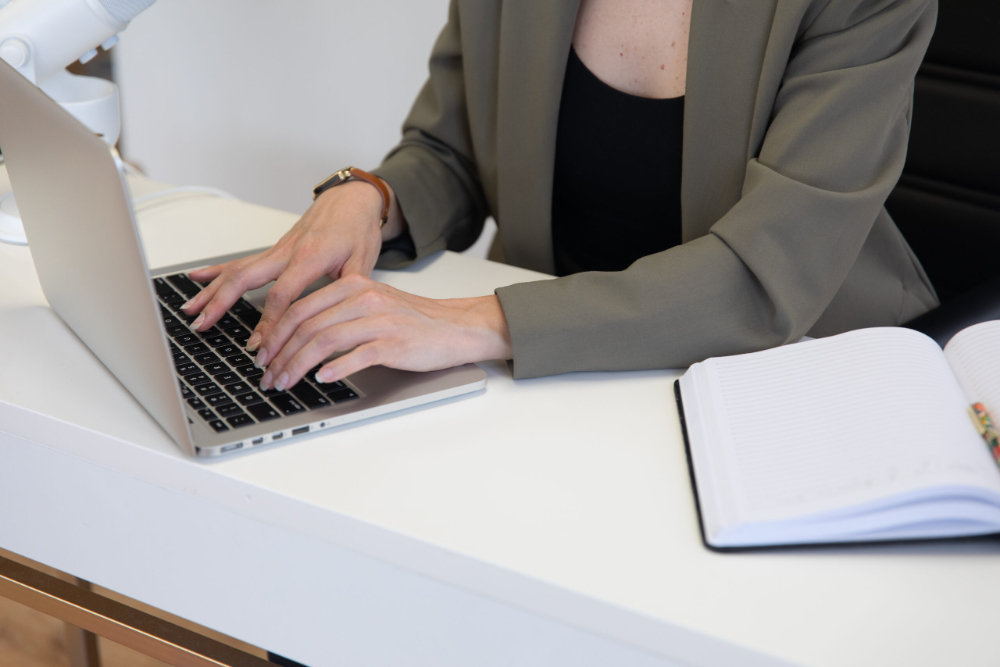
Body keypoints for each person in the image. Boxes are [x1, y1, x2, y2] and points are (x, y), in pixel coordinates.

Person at [179, 0, 939, 394]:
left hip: (797, 378)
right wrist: (372, 198)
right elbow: (454, 147)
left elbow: (762, 278)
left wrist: (481, 322)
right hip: (559, 381)